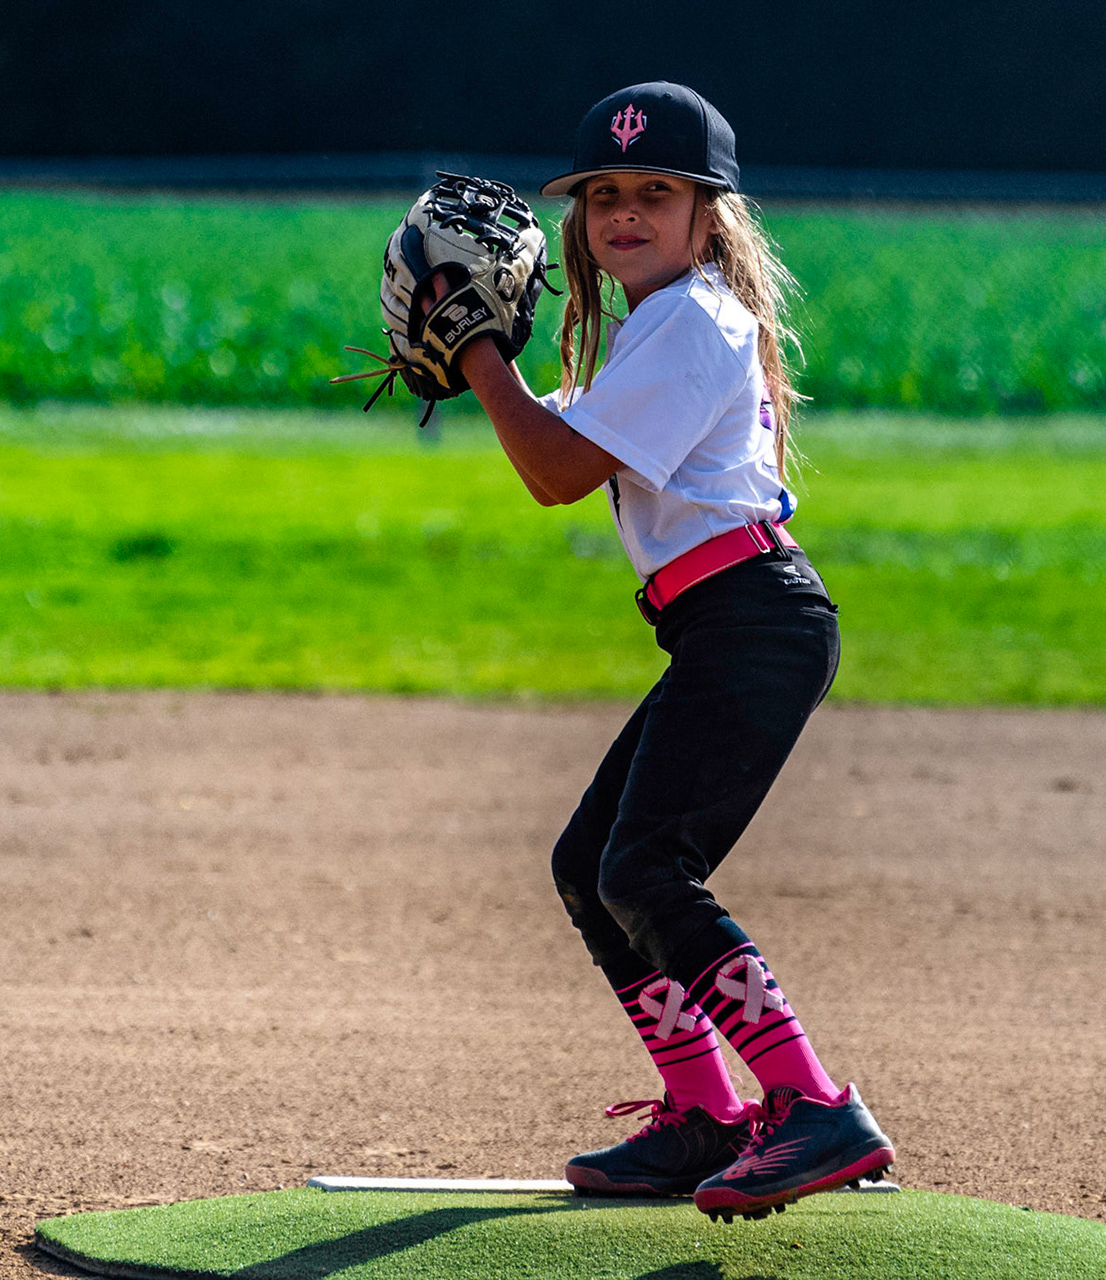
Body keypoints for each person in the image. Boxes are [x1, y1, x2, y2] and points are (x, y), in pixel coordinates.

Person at [454, 82, 895, 1222]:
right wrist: (496, 371)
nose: (627, 213)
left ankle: (808, 1101)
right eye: (605, 194)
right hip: (723, 623)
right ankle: (705, 1111)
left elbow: (554, 472)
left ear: (713, 218)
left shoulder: (696, 319)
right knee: (590, 864)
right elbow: (569, 434)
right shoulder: (661, 330)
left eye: (659, 191)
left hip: (754, 619)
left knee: (648, 868)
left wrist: (480, 360)